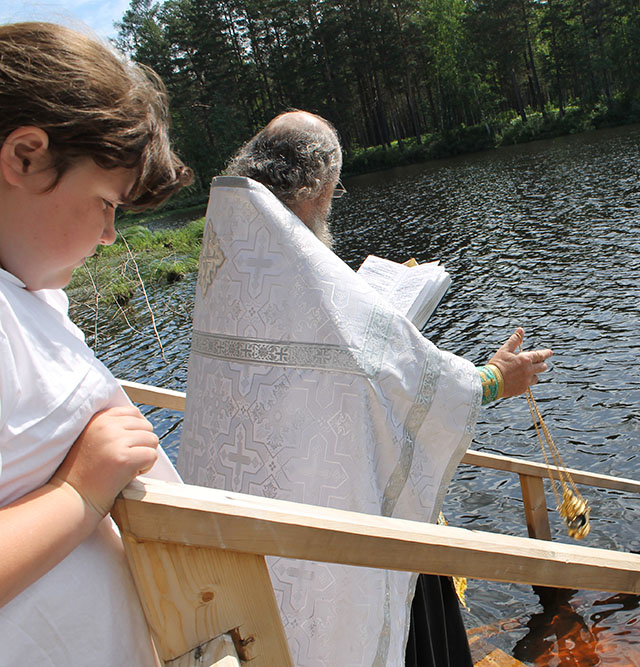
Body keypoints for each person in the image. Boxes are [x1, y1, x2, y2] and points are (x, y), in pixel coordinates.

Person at [177, 110, 553, 666]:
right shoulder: (302, 271)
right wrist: (498, 378)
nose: (334, 199)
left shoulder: (233, 266)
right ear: (317, 187)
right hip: (343, 517)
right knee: (409, 616)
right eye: (335, 188)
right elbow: (419, 388)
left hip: (248, 524)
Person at [0, 22, 191, 665]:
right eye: (105, 203)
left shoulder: (25, 298)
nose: (110, 235)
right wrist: (80, 492)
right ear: (24, 157)